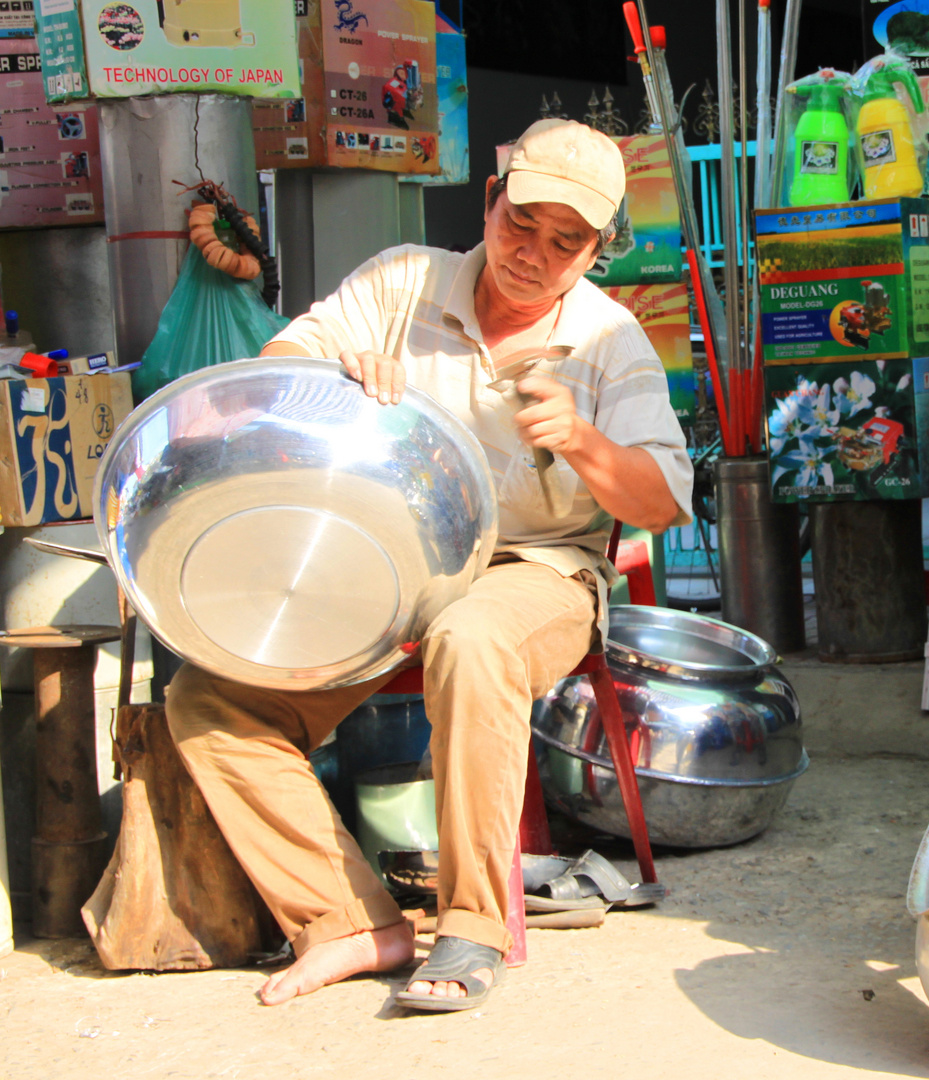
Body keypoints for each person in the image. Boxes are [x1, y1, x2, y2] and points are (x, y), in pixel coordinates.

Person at [164, 120, 693, 1013]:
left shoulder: (611, 340)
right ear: (491, 202)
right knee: (209, 699)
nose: (533, 255)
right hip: (391, 568)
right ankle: (347, 922)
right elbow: (276, 364)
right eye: (521, 225)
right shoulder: (402, 280)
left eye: (567, 244)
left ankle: (473, 926)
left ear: (596, 252)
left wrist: (583, 438)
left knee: (471, 638)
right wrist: (332, 373)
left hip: (537, 572)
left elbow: (662, 501)